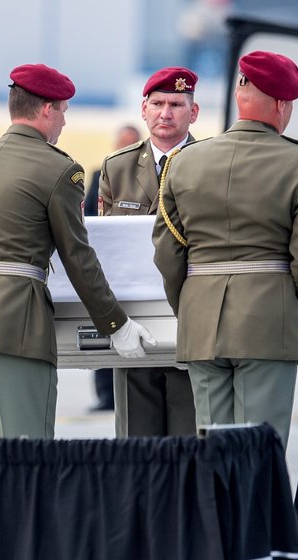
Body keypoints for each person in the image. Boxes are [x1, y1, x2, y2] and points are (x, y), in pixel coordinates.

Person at [0, 63, 156, 438]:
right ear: (47, 109)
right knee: (26, 452)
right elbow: (78, 257)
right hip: (13, 321)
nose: (64, 122)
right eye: (63, 111)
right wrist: (115, 323)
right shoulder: (59, 170)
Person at [152, 51, 298, 451]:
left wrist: (191, 307)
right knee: (257, 456)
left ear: (239, 94)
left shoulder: (184, 162)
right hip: (268, 323)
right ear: (283, 105)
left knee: (213, 453)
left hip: (201, 322)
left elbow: (167, 252)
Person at [99, 67, 201, 438]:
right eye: (157, 103)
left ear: (194, 112)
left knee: (188, 436)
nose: (166, 112)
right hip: (135, 316)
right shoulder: (117, 166)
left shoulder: (212, 162)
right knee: (136, 437)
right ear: (143, 110)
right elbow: (107, 244)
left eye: (176, 103)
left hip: (191, 313)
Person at [84, 124, 141, 413]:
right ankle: (106, 395)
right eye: (120, 144)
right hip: (107, 262)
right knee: (104, 328)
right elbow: (92, 216)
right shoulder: (100, 174)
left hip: (135, 264)